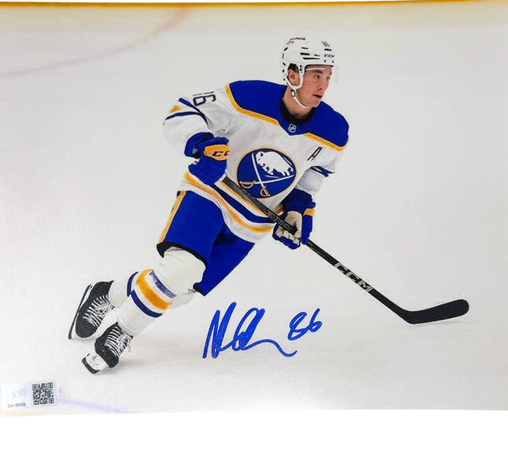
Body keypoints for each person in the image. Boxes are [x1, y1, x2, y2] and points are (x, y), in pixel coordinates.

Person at [68, 36, 350, 373]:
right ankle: (122, 333)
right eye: (316, 75)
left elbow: (312, 175)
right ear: (293, 74)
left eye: (328, 75)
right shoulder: (248, 96)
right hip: (209, 194)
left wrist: (297, 209)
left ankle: (108, 293)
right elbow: (183, 113)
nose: (323, 84)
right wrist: (202, 144)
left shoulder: (334, 130)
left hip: (251, 225)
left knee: (181, 290)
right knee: (180, 271)